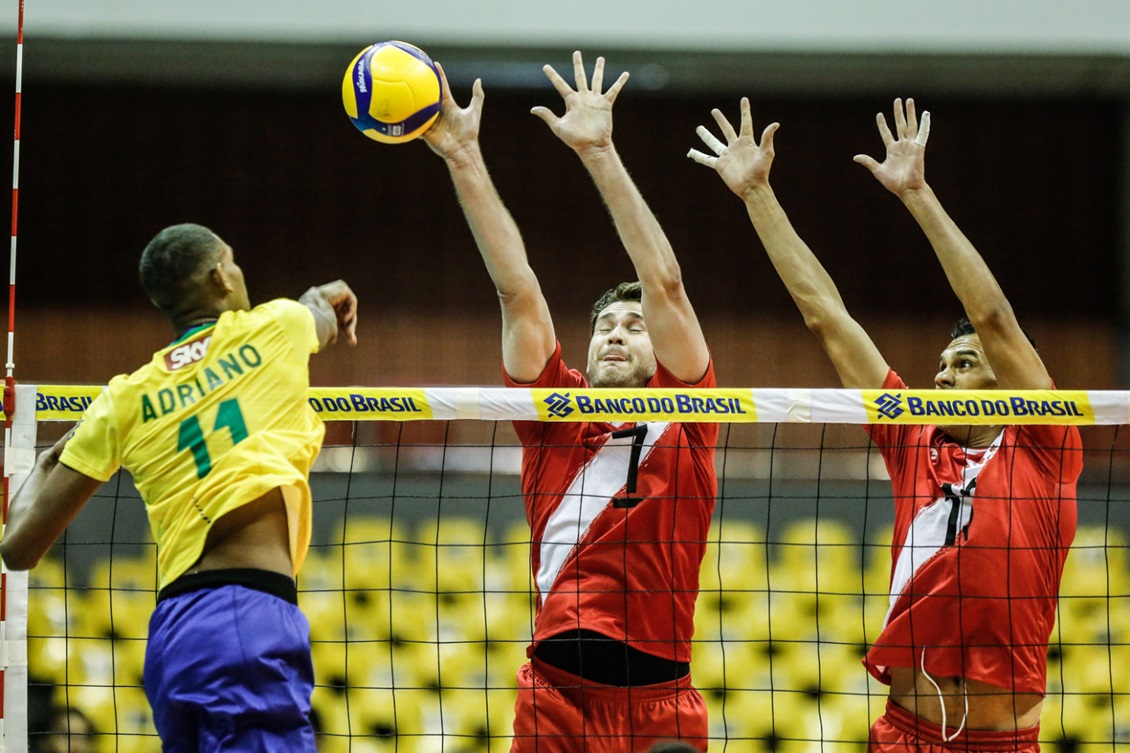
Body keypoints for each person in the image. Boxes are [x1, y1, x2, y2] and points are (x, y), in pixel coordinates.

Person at [688, 99, 1081, 749]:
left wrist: (919, 195)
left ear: (1005, 385)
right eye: (940, 365)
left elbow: (994, 319)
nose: (943, 377)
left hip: (1002, 741)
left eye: (963, 364)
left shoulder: (1044, 444)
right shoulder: (911, 438)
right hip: (904, 732)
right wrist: (757, 193)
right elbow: (827, 318)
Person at [424, 52, 716, 752]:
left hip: (660, 702)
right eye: (606, 325)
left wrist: (600, 152)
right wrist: (463, 154)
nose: (618, 332)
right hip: (556, 694)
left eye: (634, 325)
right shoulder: (555, 412)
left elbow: (665, 282)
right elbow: (517, 291)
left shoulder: (692, 409)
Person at [1, 222, 358, 751]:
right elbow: (322, 310)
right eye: (233, 262)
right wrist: (327, 297)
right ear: (220, 275)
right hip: (249, 618)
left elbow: (17, 548)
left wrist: (65, 447)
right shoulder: (275, 326)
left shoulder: (125, 397)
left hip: (173, 635)